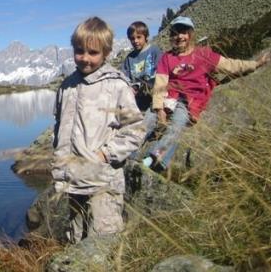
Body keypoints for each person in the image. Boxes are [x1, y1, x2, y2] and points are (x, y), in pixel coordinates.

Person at [52, 17, 145, 244]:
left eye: (93, 52)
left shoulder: (116, 85)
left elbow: (136, 129)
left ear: (107, 52)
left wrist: (105, 154)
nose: (85, 58)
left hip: (103, 182)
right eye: (79, 51)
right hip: (72, 181)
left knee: (102, 242)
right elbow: (59, 128)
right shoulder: (67, 86)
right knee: (75, 239)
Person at [143, 16, 271, 171]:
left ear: (190, 34)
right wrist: (159, 108)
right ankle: (129, 153)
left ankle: (155, 157)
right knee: (146, 121)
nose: (179, 37)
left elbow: (230, 65)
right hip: (169, 97)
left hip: (188, 101)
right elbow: (160, 83)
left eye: (183, 32)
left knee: (177, 125)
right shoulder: (167, 58)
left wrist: (255, 64)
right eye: (175, 33)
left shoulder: (204, 55)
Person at [121, 21, 163, 111]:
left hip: (154, 95)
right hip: (137, 98)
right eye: (132, 38)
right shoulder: (129, 58)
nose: (135, 41)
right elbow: (125, 78)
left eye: (139, 37)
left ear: (146, 36)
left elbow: (161, 74)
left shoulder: (154, 51)